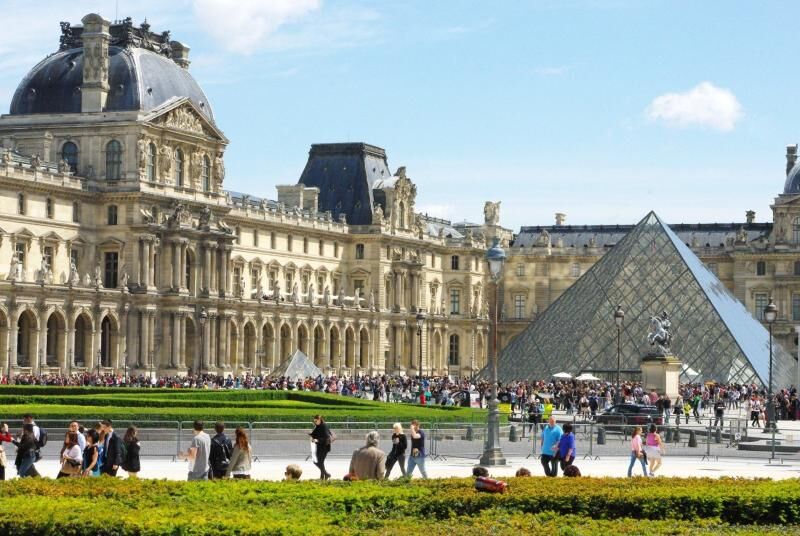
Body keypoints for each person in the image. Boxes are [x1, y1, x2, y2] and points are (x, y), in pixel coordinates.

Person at [309, 415, 332, 480]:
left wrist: (318, 440)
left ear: (320, 420)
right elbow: (314, 434)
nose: (315, 422)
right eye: (314, 421)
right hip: (319, 447)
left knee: (320, 462)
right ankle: (326, 474)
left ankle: (323, 476)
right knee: (316, 461)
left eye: (316, 421)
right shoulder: (318, 426)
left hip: (325, 447)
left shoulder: (324, 426)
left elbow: (326, 437)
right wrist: (310, 435)